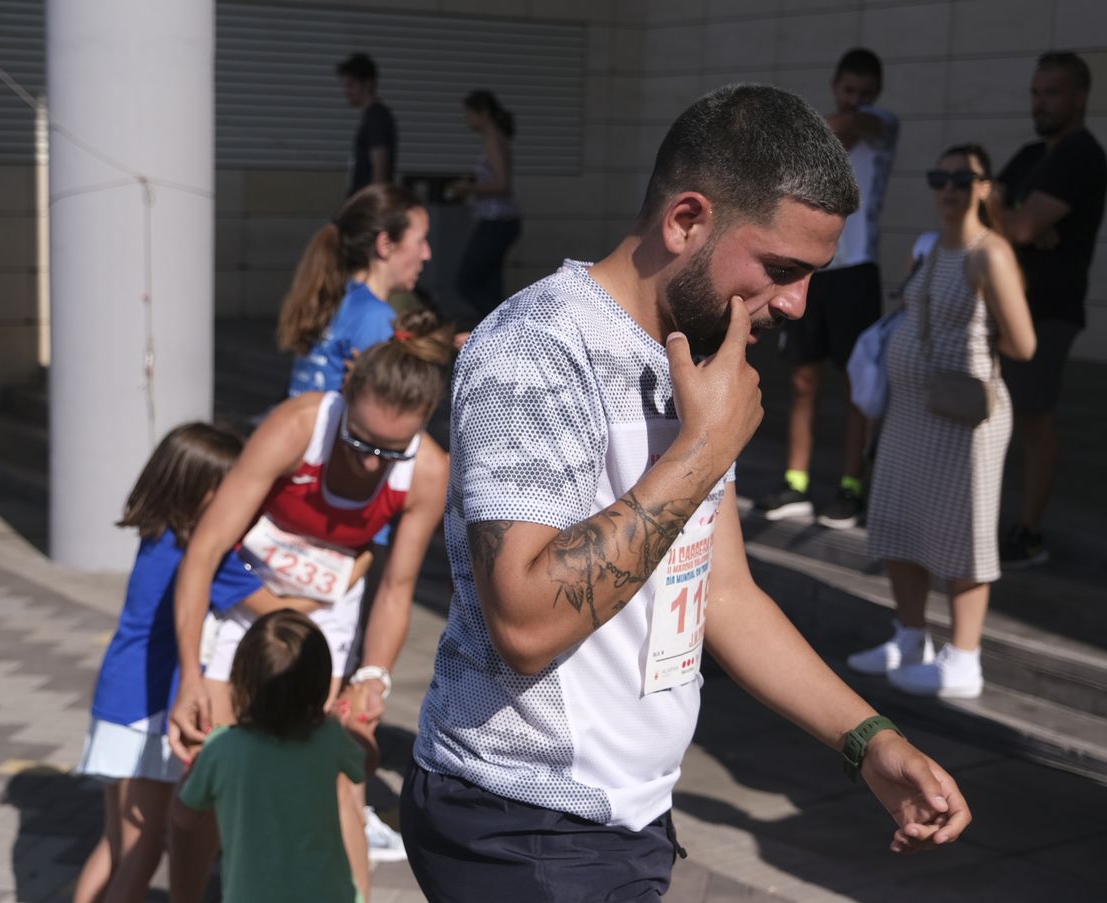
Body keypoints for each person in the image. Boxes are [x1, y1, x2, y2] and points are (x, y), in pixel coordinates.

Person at [404, 85, 971, 901]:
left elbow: (723, 594)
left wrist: (869, 739)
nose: (796, 302)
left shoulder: (700, 359)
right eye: (781, 269)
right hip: (520, 825)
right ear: (685, 221)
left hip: (624, 820)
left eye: (815, 275)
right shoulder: (536, 349)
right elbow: (524, 619)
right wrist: (705, 449)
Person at [168, 320, 453, 897]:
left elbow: (396, 589)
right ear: (344, 400)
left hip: (328, 612)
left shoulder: (427, 470)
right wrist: (190, 677)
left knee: (339, 781)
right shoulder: (298, 425)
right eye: (361, 442)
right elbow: (203, 551)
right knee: (207, 762)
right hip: (249, 596)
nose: (373, 464)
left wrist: (375, 676)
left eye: (390, 451)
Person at [74, 423, 344, 903]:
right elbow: (278, 609)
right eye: (231, 486)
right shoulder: (203, 555)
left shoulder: (159, 538)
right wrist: (349, 574)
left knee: (117, 847)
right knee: (143, 854)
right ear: (201, 491)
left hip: (119, 696)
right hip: (148, 706)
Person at [847, 146, 1035, 699]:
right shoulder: (930, 248)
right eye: (939, 176)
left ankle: (965, 659)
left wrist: (970, 349)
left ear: (984, 186)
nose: (949, 187)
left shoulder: (989, 253)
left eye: (961, 178)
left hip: (963, 418)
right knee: (898, 522)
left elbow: (1023, 343)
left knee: (963, 535)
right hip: (910, 411)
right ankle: (909, 638)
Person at [756, 49, 899, 528]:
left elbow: (851, 127)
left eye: (864, 93)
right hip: (815, 268)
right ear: (835, 85)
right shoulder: (823, 134)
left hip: (857, 270)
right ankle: (796, 480)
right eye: (848, 91)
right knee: (802, 379)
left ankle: (851, 485)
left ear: (875, 93)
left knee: (856, 383)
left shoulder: (881, 125)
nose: (856, 101)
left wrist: (804, 127)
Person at [172, 610, 377, 903]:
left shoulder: (220, 747)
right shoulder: (329, 737)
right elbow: (367, 764)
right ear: (320, 683)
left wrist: (194, 763)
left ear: (240, 680)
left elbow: (184, 816)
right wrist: (354, 721)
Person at [995, 51, 1106, 568]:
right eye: (1036, 92)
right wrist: (1015, 217)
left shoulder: (1081, 154)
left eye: (1053, 93)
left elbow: (1013, 226)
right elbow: (988, 207)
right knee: (998, 417)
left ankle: (1029, 532)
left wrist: (1010, 216)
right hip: (1007, 306)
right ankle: (995, 519)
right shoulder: (1031, 153)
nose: (1040, 103)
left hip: (1047, 312)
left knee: (1035, 421)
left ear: (1079, 97)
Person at [280, 183, 431, 397]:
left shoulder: (333, 295)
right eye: (421, 240)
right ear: (385, 244)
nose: (427, 254)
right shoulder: (374, 316)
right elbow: (382, 412)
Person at [448, 90, 522, 325]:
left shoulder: (493, 140)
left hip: (497, 221)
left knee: (466, 281)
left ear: (483, 114)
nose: (467, 119)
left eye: (470, 113)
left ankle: (505, 323)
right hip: (499, 221)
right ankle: (499, 330)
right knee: (490, 283)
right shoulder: (496, 139)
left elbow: (502, 184)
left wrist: (469, 189)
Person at [337, 53, 397, 195]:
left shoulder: (377, 118)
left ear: (368, 83)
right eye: (345, 85)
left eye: (351, 85)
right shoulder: (371, 116)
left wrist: (373, 207)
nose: (347, 91)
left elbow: (379, 170)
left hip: (368, 206)